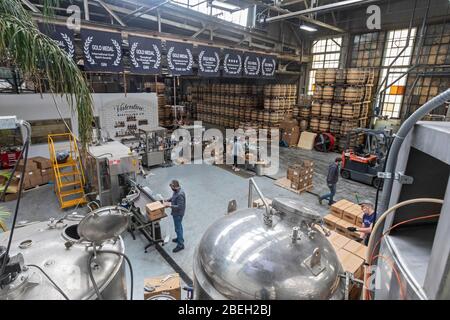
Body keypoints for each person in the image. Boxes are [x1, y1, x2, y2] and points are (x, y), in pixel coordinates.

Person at [163, 180, 186, 253]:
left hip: (178, 214)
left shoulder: (180, 194)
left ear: (175, 187)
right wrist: (168, 200)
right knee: (179, 227)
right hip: (176, 213)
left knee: (177, 228)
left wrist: (169, 205)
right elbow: (173, 197)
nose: (171, 189)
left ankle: (180, 245)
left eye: (172, 187)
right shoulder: (176, 191)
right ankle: (180, 239)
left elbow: (179, 206)